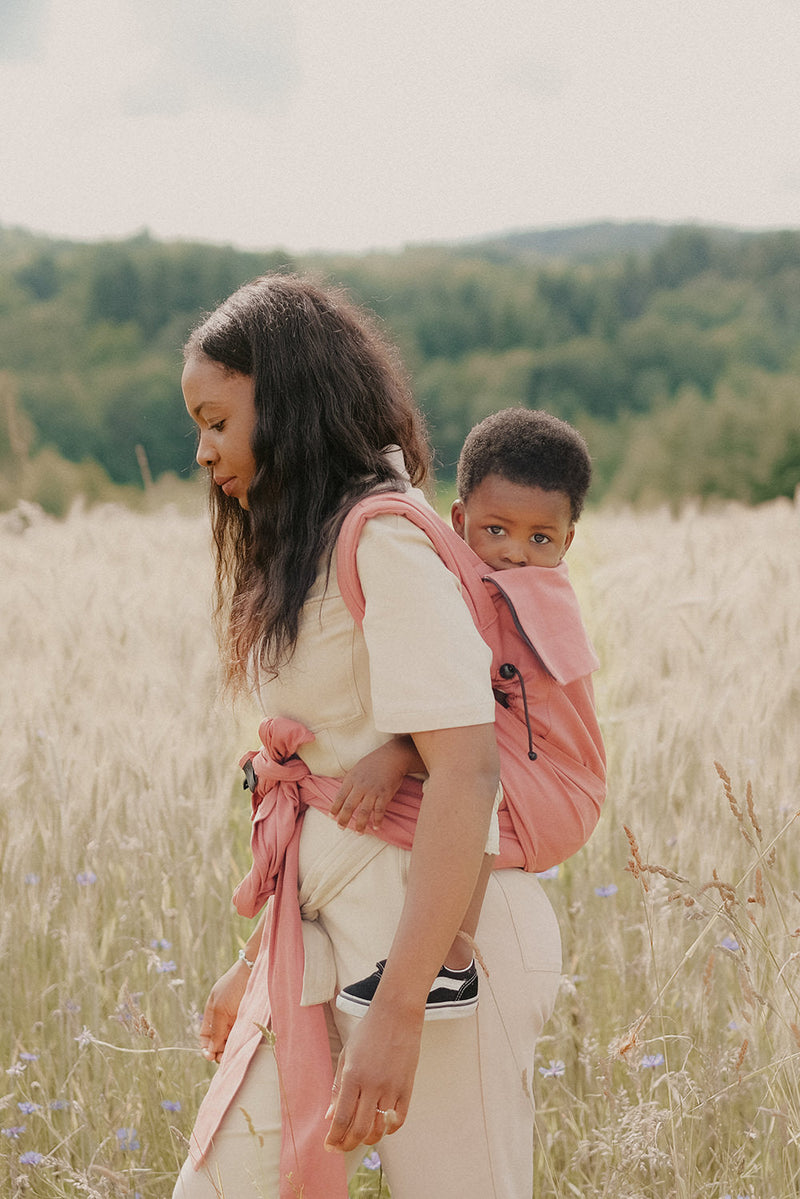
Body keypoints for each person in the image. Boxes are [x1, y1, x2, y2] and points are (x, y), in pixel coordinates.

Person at [173, 275, 574, 1199]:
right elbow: (327, 776)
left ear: (290, 403)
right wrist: (255, 965)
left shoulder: (382, 538)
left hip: (438, 960)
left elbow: (467, 774)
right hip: (325, 945)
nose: (203, 449)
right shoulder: (305, 547)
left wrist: (401, 1006)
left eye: (218, 419)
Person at [333, 408, 592, 1020]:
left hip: (553, 781)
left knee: (474, 793)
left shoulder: (536, 599)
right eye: (496, 530)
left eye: (540, 539)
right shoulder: (466, 577)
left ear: (567, 541)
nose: (516, 554)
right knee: (471, 783)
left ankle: (450, 965)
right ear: (459, 521)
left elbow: (478, 711)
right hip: (537, 771)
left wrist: (399, 753)